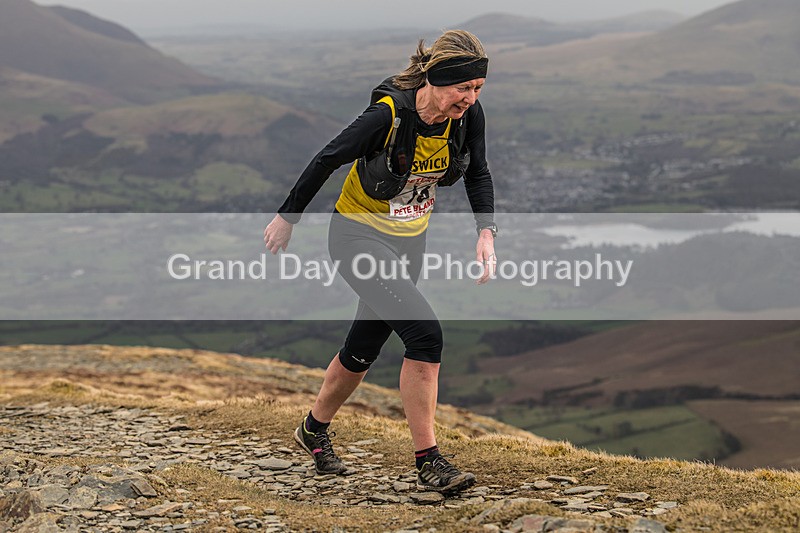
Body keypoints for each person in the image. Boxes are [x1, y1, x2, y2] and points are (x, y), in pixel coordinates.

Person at [263, 29, 497, 494]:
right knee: (425, 334)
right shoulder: (387, 116)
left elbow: (479, 172)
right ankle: (429, 461)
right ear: (433, 79)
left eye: (477, 89)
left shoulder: (466, 118)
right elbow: (326, 159)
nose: (470, 98)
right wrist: (288, 218)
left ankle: (312, 428)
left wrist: (485, 232)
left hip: (409, 242)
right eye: (462, 89)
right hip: (357, 237)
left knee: (362, 349)